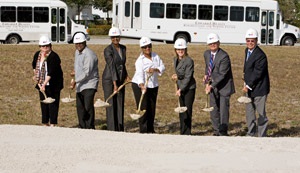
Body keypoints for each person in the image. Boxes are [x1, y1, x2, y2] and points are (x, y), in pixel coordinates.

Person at [203, 33, 235, 136]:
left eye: (215, 43)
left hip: (224, 87)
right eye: (211, 43)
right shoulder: (207, 54)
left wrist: (211, 85)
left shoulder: (224, 56)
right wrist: (206, 76)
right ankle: (216, 131)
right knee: (213, 110)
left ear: (219, 43)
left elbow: (222, 74)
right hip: (213, 86)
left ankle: (223, 131)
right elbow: (208, 67)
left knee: (223, 111)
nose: (213, 45)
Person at [131, 37, 165, 133]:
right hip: (140, 85)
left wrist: (155, 69)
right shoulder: (139, 61)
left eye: (149, 46)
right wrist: (142, 85)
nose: (147, 48)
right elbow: (139, 74)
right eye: (144, 47)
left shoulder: (155, 56)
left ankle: (151, 129)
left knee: (152, 107)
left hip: (153, 85)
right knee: (143, 108)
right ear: (141, 48)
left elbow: (162, 66)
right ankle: (143, 130)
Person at [243, 28, 270, 137]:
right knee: (249, 112)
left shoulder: (260, 55)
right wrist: (245, 82)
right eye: (248, 40)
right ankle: (251, 133)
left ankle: (262, 135)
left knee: (261, 113)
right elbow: (248, 69)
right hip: (249, 86)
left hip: (259, 88)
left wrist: (248, 85)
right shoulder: (247, 51)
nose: (250, 43)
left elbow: (257, 73)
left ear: (256, 40)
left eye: (252, 41)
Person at [32, 36, 64, 127]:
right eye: (43, 46)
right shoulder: (37, 55)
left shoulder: (54, 56)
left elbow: (51, 72)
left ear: (50, 45)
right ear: (40, 47)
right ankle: (45, 122)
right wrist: (37, 78)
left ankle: (53, 123)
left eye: (47, 45)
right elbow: (34, 66)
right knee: (44, 103)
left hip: (53, 84)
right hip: (41, 82)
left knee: (53, 103)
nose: (45, 48)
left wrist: (44, 84)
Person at [102, 27, 130, 131]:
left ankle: (120, 128)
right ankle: (112, 129)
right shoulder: (107, 50)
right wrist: (114, 84)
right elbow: (111, 66)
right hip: (109, 80)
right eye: (113, 37)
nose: (115, 39)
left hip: (120, 79)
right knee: (111, 104)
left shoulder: (123, 48)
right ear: (110, 38)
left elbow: (122, 64)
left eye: (117, 37)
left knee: (120, 102)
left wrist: (126, 75)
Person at [70, 32, 99, 129]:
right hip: (80, 84)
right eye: (76, 44)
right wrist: (75, 72)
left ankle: (90, 127)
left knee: (88, 107)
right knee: (80, 107)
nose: (78, 45)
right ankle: (82, 126)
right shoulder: (77, 52)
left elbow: (87, 72)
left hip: (89, 83)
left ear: (85, 43)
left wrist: (75, 80)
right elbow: (79, 66)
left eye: (80, 43)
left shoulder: (89, 55)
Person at [171, 38, 196, 135]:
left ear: (185, 50)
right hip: (180, 88)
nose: (180, 51)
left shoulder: (189, 61)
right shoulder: (175, 59)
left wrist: (180, 89)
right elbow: (179, 73)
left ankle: (187, 132)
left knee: (187, 110)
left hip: (189, 88)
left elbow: (188, 77)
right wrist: (175, 77)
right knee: (181, 110)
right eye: (178, 49)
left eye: (182, 49)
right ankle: (182, 131)